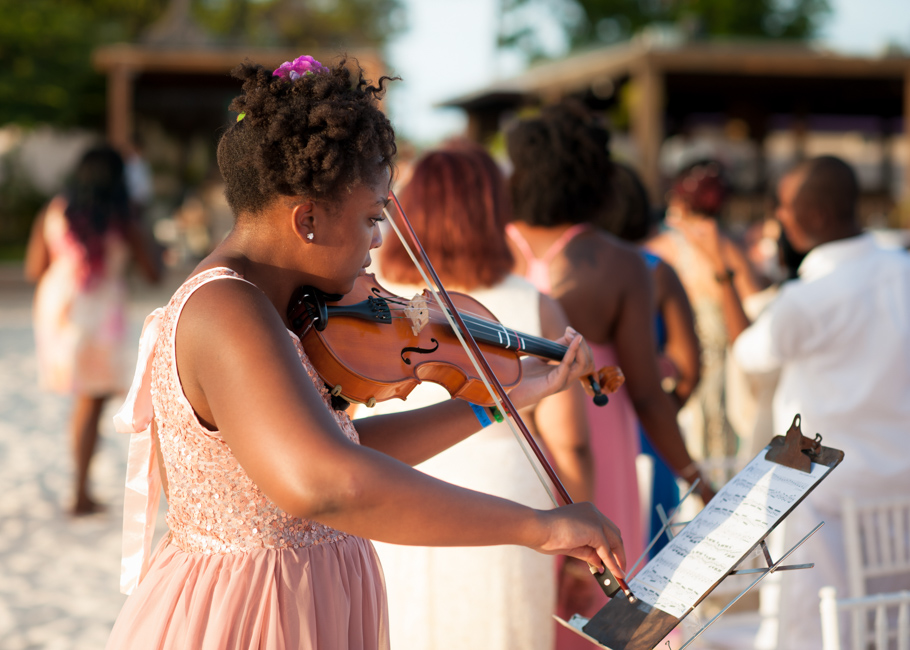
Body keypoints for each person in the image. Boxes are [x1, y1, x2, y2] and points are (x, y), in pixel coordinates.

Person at [104, 56, 627, 650]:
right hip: (255, 613)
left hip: (293, 598)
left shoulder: (265, 306)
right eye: (372, 217)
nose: (380, 240)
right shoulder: (229, 311)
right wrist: (536, 527)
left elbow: (339, 448)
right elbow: (326, 482)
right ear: (307, 219)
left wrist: (499, 399)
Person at [365, 143, 598, 650]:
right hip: (506, 497)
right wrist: (583, 523)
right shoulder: (534, 303)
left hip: (392, 488)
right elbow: (570, 443)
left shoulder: (369, 297)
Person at [672, 155, 910, 649]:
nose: (778, 217)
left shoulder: (811, 297)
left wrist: (722, 274)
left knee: (805, 632)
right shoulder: (901, 269)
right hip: (899, 494)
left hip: (824, 497)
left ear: (813, 217)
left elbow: (749, 353)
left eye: (782, 207)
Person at [504, 101, 712, 647]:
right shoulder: (619, 263)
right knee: (606, 596)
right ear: (597, 177)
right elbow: (645, 391)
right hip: (597, 437)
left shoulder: (497, 251)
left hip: (512, 433)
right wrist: (693, 473)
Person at [24, 144, 160, 515]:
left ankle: (81, 489)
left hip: (59, 308)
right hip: (100, 313)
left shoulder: (55, 210)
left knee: (88, 398)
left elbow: (34, 268)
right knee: (93, 399)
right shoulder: (123, 216)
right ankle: (80, 493)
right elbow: (154, 273)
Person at [598, 162, 702, 557]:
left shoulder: (569, 272)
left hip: (588, 428)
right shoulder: (657, 273)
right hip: (649, 432)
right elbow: (689, 370)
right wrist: (662, 411)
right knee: (653, 566)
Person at [646, 160, 763, 470]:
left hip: (680, 373)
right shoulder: (728, 247)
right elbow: (756, 308)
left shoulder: (660, 250)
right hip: (728, 374)